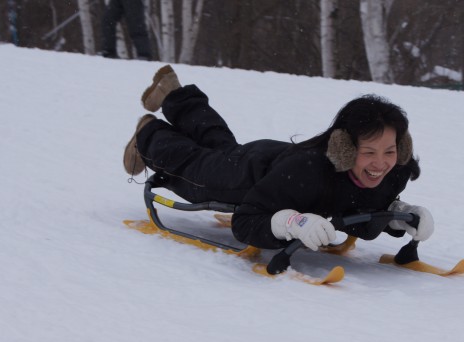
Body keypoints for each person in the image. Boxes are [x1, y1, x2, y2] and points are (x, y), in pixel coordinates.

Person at [123, 65, 435, 251]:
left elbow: (363, 205)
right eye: (368, 152)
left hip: (276, 161)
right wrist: (291, 222)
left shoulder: (394, 171)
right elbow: (245, 221)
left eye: (390, 151)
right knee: (194, 166)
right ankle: (149, 135)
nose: (380, 163)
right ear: (345, 148)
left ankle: (174, 94)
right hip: (246, 178)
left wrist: (396, 217)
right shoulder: (310, 172)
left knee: (220, 147)